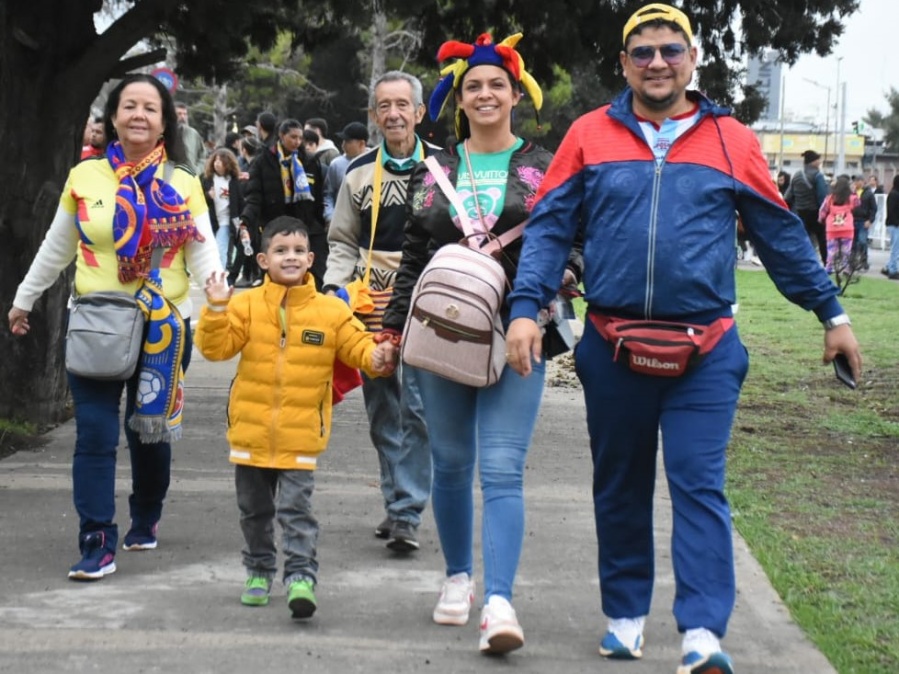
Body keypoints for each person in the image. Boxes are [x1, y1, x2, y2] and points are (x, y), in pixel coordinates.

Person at [503, 5, 862, 674]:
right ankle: (624, 617)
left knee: (698, 484)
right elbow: (549, 227)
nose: (657, 63)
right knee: (620, 486)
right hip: (612, 347)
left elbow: (778, 234)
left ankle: (702, 634)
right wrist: (525, 307)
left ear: (692, 59)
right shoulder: (588, 134)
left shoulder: (731, 139)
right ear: (624, 64)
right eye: (642, 52)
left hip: (707, 352)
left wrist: (831, 315)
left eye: (671, 49)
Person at [377, 33, 579, 655]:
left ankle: (499, 602)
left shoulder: (547, 167)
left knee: (501, 468)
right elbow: (413, 256)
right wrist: (391, 329)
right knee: (451, 462)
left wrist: (558, 283)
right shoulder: (434, 168)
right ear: (458, 99)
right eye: (474, 87)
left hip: (521, 332)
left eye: (497, 85)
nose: (486, 94)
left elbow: (573, 240)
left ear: (516, 94)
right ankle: (458, 577)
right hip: (443, 331)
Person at [8, 73, 222, 581]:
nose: (138, 115)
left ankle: (146, 514)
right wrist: (24, 299)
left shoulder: (182, 181)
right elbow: (58, 246)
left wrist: (218, 294)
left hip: (163, 328)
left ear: (164, 122)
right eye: (129, 106)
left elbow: (203, 249)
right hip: (96, 323)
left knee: (147, 433)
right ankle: (97, 539)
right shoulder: (85, 176)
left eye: (150, 108)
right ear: (113, 118)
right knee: (95, 434)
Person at [195, 215, 390, 619]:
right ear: (263, 260)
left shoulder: (330, 311)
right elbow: (216, 349)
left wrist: (377, 356)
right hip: (249, 433)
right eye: (281, 250)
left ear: (311, 259)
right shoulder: (246, 305)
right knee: (254, 512)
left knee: (296, 511)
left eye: (299, 250)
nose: (291, 257)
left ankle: (301, 576)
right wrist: (215, 308)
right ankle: (258, 571)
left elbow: (357, 345)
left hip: (301, 435)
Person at [323, 71, 440, 553]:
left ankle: (407, 511)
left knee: (418, 409)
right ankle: (397, 503)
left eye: (402, 105)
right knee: (383, 411)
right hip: (370, 308)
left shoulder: (445, 168)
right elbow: (342, 241)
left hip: (428, 304)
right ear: (374, 115)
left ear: (419, 112)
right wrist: (335, 290)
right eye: (384, 106)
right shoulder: (356, 173)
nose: (393, 114)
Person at [240, 118, 327, 289]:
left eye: (300, 138)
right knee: (277, 278)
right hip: (275, 225)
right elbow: (254, 196)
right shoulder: (263, 161)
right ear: (281, 135)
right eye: (293, 137)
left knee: (314, 276)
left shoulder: (308, 161)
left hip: (307, 225)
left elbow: (318, 197)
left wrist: (321, 222)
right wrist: (246, 220)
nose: (297, 142)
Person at [202, 148, 245, 270]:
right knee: (213, 247)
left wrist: (241, 220)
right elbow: (199, 198)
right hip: (211, 220)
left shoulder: (233, 181)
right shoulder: (207, 179)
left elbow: (240, 201)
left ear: (227, 164)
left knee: (221, 246)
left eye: (220, 161)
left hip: (227, 220)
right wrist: (208, 196)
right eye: (215, 160)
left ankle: (220, 271)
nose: (217, 163)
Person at [784, 149, 829, 263]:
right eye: (818, 160)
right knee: (822, 239)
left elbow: (788, 197)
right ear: (813, 162)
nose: (820, 162)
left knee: (803, 240)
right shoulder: (818, 175)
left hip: (800, 213)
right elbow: (822, 198)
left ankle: (801, 262)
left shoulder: (796, 175)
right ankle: (826, 263)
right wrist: (825, 214)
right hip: (816, 214)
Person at [323, 121, 370, 224]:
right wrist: (330, 216)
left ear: (361, 143)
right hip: (343, 221)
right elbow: (328, 194)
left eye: (348, 141)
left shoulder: (375, 161)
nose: (343, 145)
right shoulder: (336, 164)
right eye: (343, 141)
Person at [818, 175, 859, 274]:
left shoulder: (830, 199)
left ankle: (829, 267)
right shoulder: (851, 199)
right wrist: (854, 192)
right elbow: (858, 203)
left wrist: (821, 219)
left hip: (832, 228)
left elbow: (822, 211)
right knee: (846, 251)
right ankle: (846, 268)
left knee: (831, 250)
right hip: (847, 228)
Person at [850, 175, 877, 270]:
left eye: (858, 181)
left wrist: (870, 220)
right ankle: (852, 261)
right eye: (855, 181)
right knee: (853, 242)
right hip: (852, 220)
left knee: (862, 241)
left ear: (862, 181)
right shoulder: (851, 193)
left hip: (863, 220)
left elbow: (873, 208)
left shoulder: (868, 193)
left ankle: (863, 260)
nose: (856, 183)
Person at [175, 102, 206, 174]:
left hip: (190, 176)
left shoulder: (193, 134)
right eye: (179, 114)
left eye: (185, 114)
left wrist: (197, 171)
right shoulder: (164, 133)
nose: (183, 117)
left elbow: (202, 156)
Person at [883, 175, 899, 280]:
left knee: (896, 248)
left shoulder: (894, 193)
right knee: (895, 249)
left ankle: (888, 266)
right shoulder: (895, 195)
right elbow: (892, 211)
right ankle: (892, 270)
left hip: (893, 224)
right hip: (894, 225)